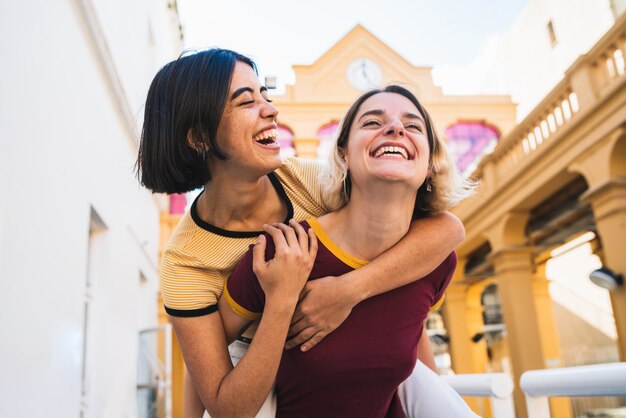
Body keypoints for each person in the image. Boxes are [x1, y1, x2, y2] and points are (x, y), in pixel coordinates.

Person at [137, 49, 466, 417]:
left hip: (360, 346)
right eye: (247, 101)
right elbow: (212, 381)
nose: (271, 110)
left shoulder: (313, 182)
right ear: (199, 137)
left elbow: (445, 230)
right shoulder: (185, 263)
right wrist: (282, 299)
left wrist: (346, 291)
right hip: (262, 365)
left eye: (266, 95)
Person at [222, 85, 476, 417]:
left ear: (430, 164)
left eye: (413, 126)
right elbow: (214, 375)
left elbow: (415, 344)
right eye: (372, 122)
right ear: (343, 154)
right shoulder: (283, 251)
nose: (396, 128)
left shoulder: (437, 261)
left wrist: (348, 291)